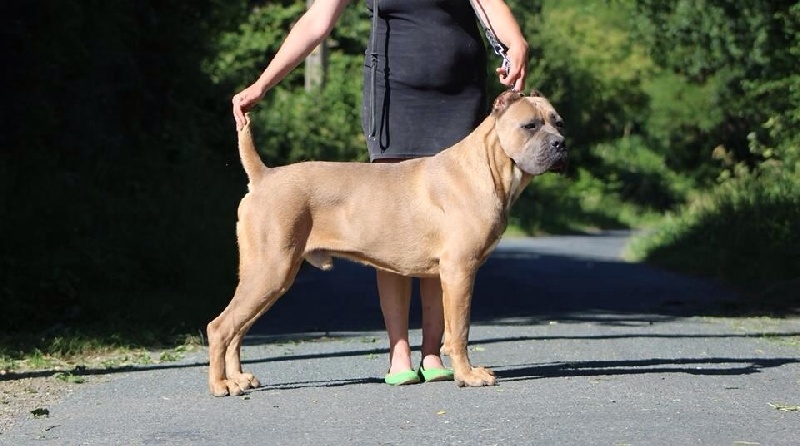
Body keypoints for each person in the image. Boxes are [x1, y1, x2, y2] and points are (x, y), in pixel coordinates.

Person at [232, 0, 528, 385]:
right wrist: (263, 83)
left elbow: (489, 3)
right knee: (392, 225)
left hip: (460, 91)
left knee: (449, 238)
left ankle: (436, 352)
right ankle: (399, 352)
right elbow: (318, 20)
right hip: (394, 93)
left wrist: (516, 42)